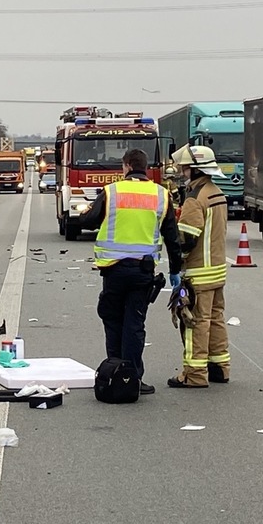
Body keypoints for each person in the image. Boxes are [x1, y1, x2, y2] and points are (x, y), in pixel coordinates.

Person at [76, 147, 183, 394]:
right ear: (145, 167)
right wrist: (176, 270)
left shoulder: (112, 191)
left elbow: (90, 221)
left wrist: (84, 215)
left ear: (125, 166)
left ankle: (115, 371)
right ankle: (133, 378)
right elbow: (172, 237)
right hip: (142, 271)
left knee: (113, 319)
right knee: (135, 324)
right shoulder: (161, 195)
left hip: (114, 270)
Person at [167, 144, 230, 388]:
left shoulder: (195, 199)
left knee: (194, 322)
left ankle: (194, 375)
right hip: (216, 270)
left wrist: (173, 254)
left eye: (184, 167)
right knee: (215, 318)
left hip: (198, 272)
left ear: (194, 169)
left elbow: (186, 239)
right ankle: (220, 367)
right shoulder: (217, 193)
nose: (181, 171)